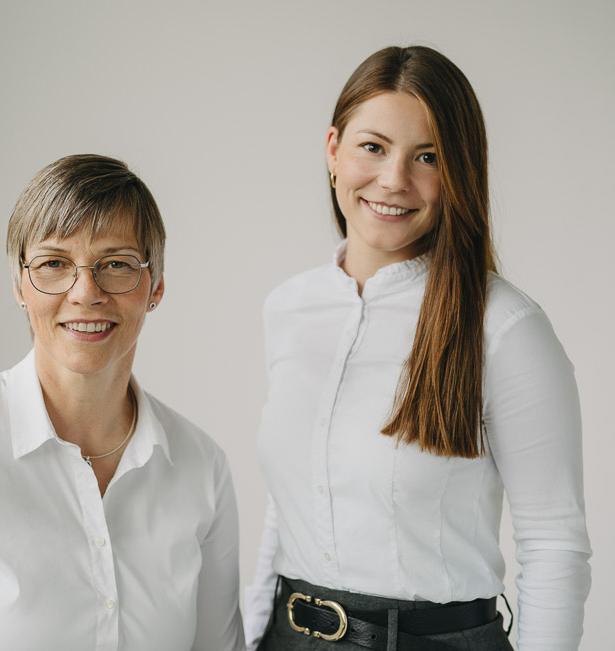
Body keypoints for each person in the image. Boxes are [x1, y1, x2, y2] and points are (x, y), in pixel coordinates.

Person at [244, 46, 591, 651]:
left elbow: (554, 543)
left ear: (458, 172)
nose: (393, 179)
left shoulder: (504, 328)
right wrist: (251, 636)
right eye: (372, 147)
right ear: (333, 152)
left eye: (426, 156)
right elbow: (289, 505)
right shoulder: (289, 308)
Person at [0, 154, 245, 651]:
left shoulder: (202, 466)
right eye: (53, 264)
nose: (85, 292)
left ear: (156, 287)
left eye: (116, 264)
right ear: (20, 285)